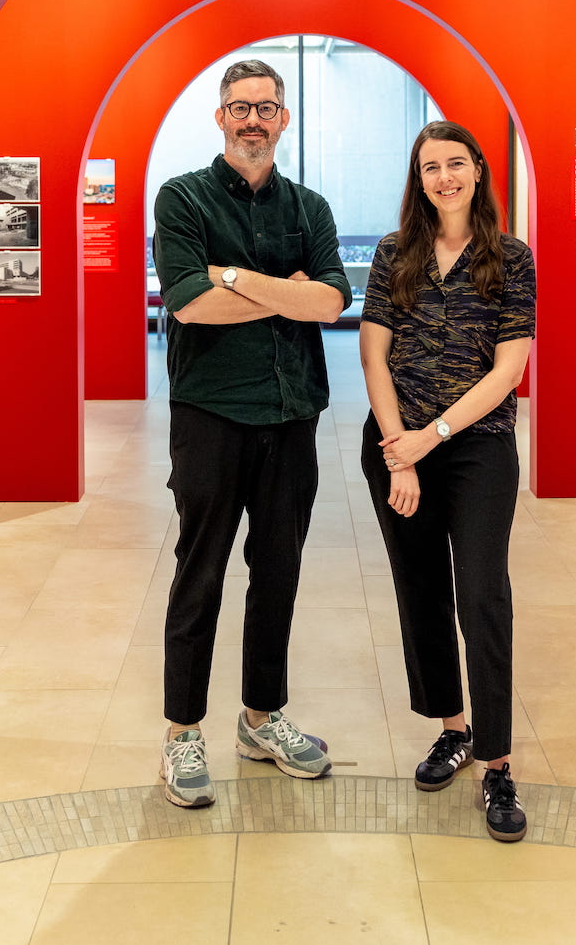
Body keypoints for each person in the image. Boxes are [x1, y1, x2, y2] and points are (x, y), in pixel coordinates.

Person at [152, 58, 352, 808]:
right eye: (240, 108)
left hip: (291, 415)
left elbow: (333, 301)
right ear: (220, 117)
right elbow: (188, 303)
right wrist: (287, 294)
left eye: (266, 108)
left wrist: (233, 276)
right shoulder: (184, 198)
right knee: (199, 572)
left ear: (283, 120)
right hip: (210, 415)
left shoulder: (311, 208)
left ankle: (260, 718)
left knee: (278, 573)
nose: (253, 121)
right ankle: (182, 734)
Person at [358, 120, 536, 842]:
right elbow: (374, 357)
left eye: (454, 163)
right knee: (422, 589)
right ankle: (453, 728)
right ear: (418, 179)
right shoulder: (393, 254)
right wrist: (399, 452)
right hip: (399, 443)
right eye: (430, 167)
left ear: (478, 171)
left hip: (477, 448)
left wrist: (431, 440)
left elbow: (509, 369)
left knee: (483, 593)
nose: (443, 177)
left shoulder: (510, 258)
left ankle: (497, 761)